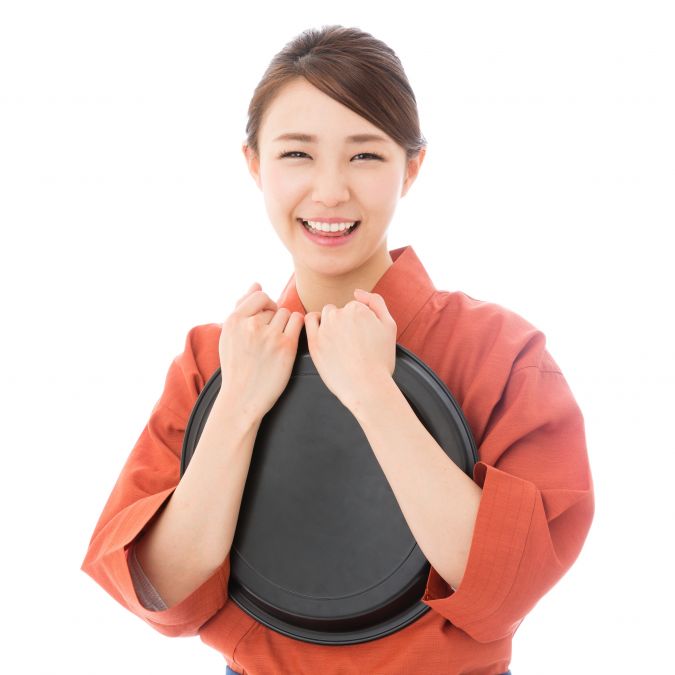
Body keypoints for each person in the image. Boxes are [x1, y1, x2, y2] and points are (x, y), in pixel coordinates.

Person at [81, 24, 594, 675]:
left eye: (365, 155)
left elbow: (507, 585)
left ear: (411, 168)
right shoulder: (214, 358)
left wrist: (373, 393)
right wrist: (238, 403)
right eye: (297, 153)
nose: (329, 190)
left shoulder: (501, 351)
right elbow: (160, 588)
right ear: (254, 164)